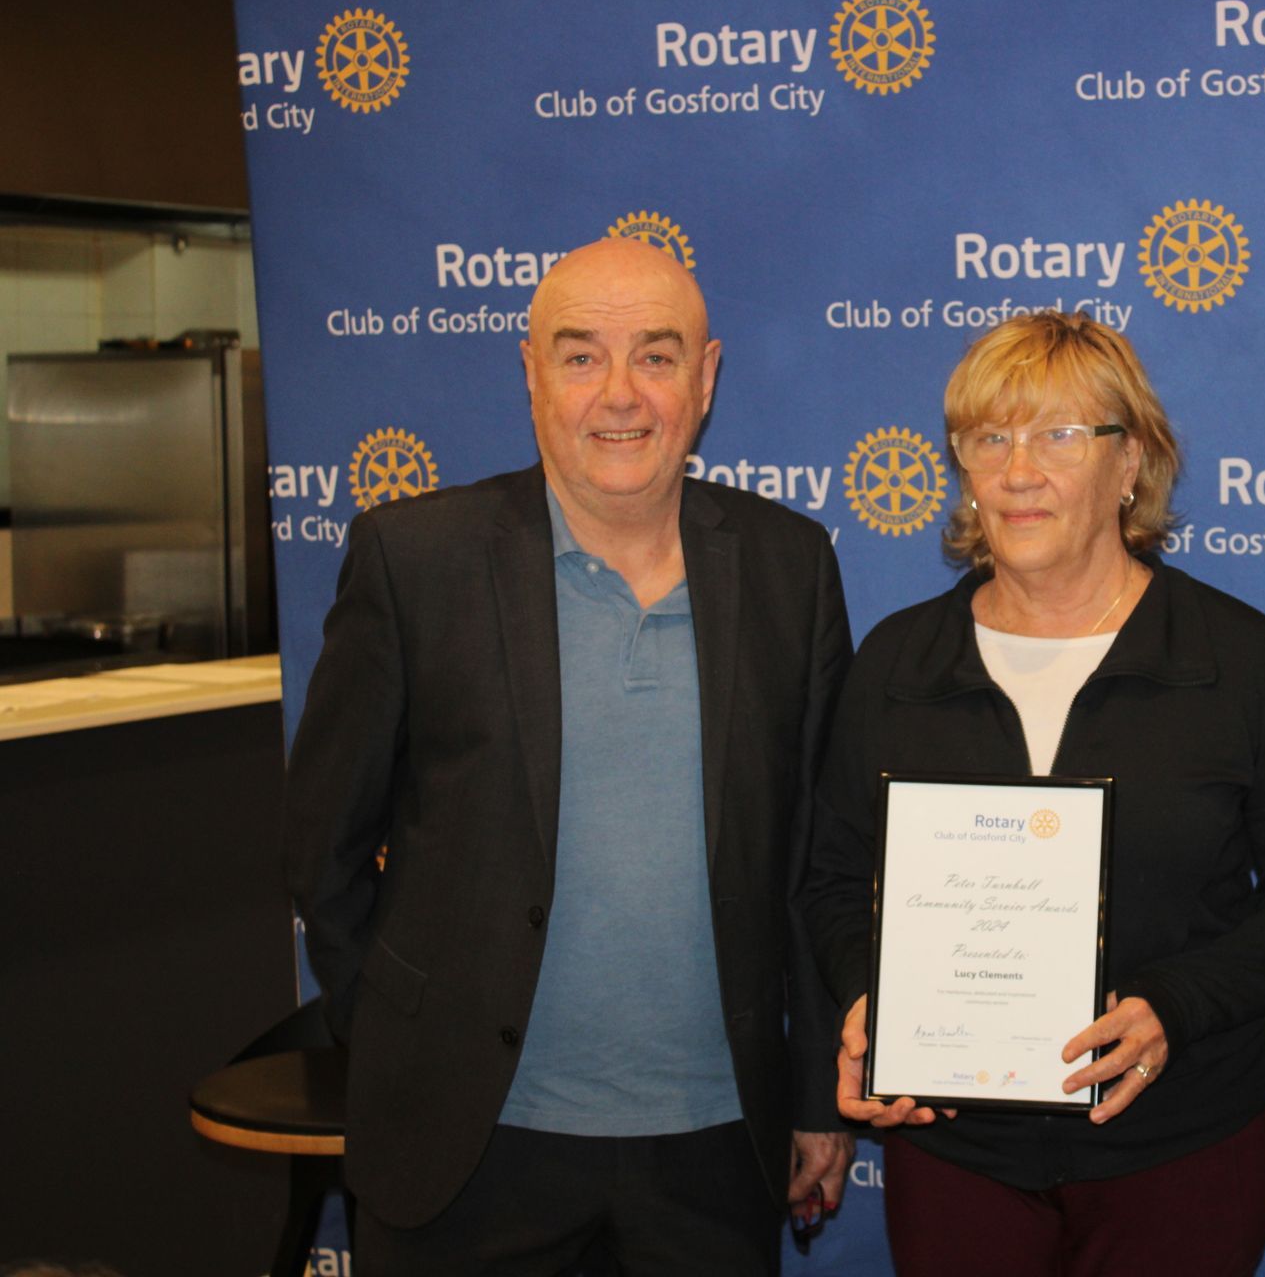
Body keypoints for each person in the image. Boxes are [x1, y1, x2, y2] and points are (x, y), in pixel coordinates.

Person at [285, 238, 854, 1273]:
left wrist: (815, 1092)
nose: (621, 395)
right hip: (465, 1143)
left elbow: (816, 861)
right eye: (582, 355)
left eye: (658, 354)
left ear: (708, 375)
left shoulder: (791, 566)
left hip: (717, 1149)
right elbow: (325, 841)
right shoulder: (413, 560)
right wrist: (399, 1042)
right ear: (531, 370)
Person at [801, 312, 1265, 1275]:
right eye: (991, 437)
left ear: (1131, 464)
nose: (1019, 470)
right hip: (956, 1157)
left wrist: (1175, 1005)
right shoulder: (899, 663)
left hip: (1180, 1150)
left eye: (1060, 434)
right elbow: (830, 882)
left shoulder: (1237, 661)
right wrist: (871, 998)